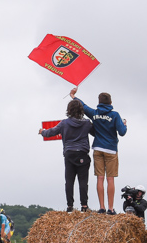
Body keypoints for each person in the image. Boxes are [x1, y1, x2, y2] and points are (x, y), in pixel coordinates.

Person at [70, 87, 128, 215]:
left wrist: (73, 96)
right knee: (110, 179)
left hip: (97, 148)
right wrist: (124, 124)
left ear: (99, 102)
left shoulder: (94, 113)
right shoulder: (115, 115)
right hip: (111, 150)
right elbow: (122, 133)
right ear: (111, 103)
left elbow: (83, 106)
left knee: (100, 178)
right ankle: (110, 209)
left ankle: (101, 207)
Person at [39, 99, 94, 212]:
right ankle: (84, 205)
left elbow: (51, 132)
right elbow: (96, 133)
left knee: (69, 181)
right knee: (83, 181)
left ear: (69, 110)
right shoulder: (87, 123)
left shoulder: (64, 123)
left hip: (69, 153)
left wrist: (42, 132)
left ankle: (70, 206)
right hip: (83, 153)